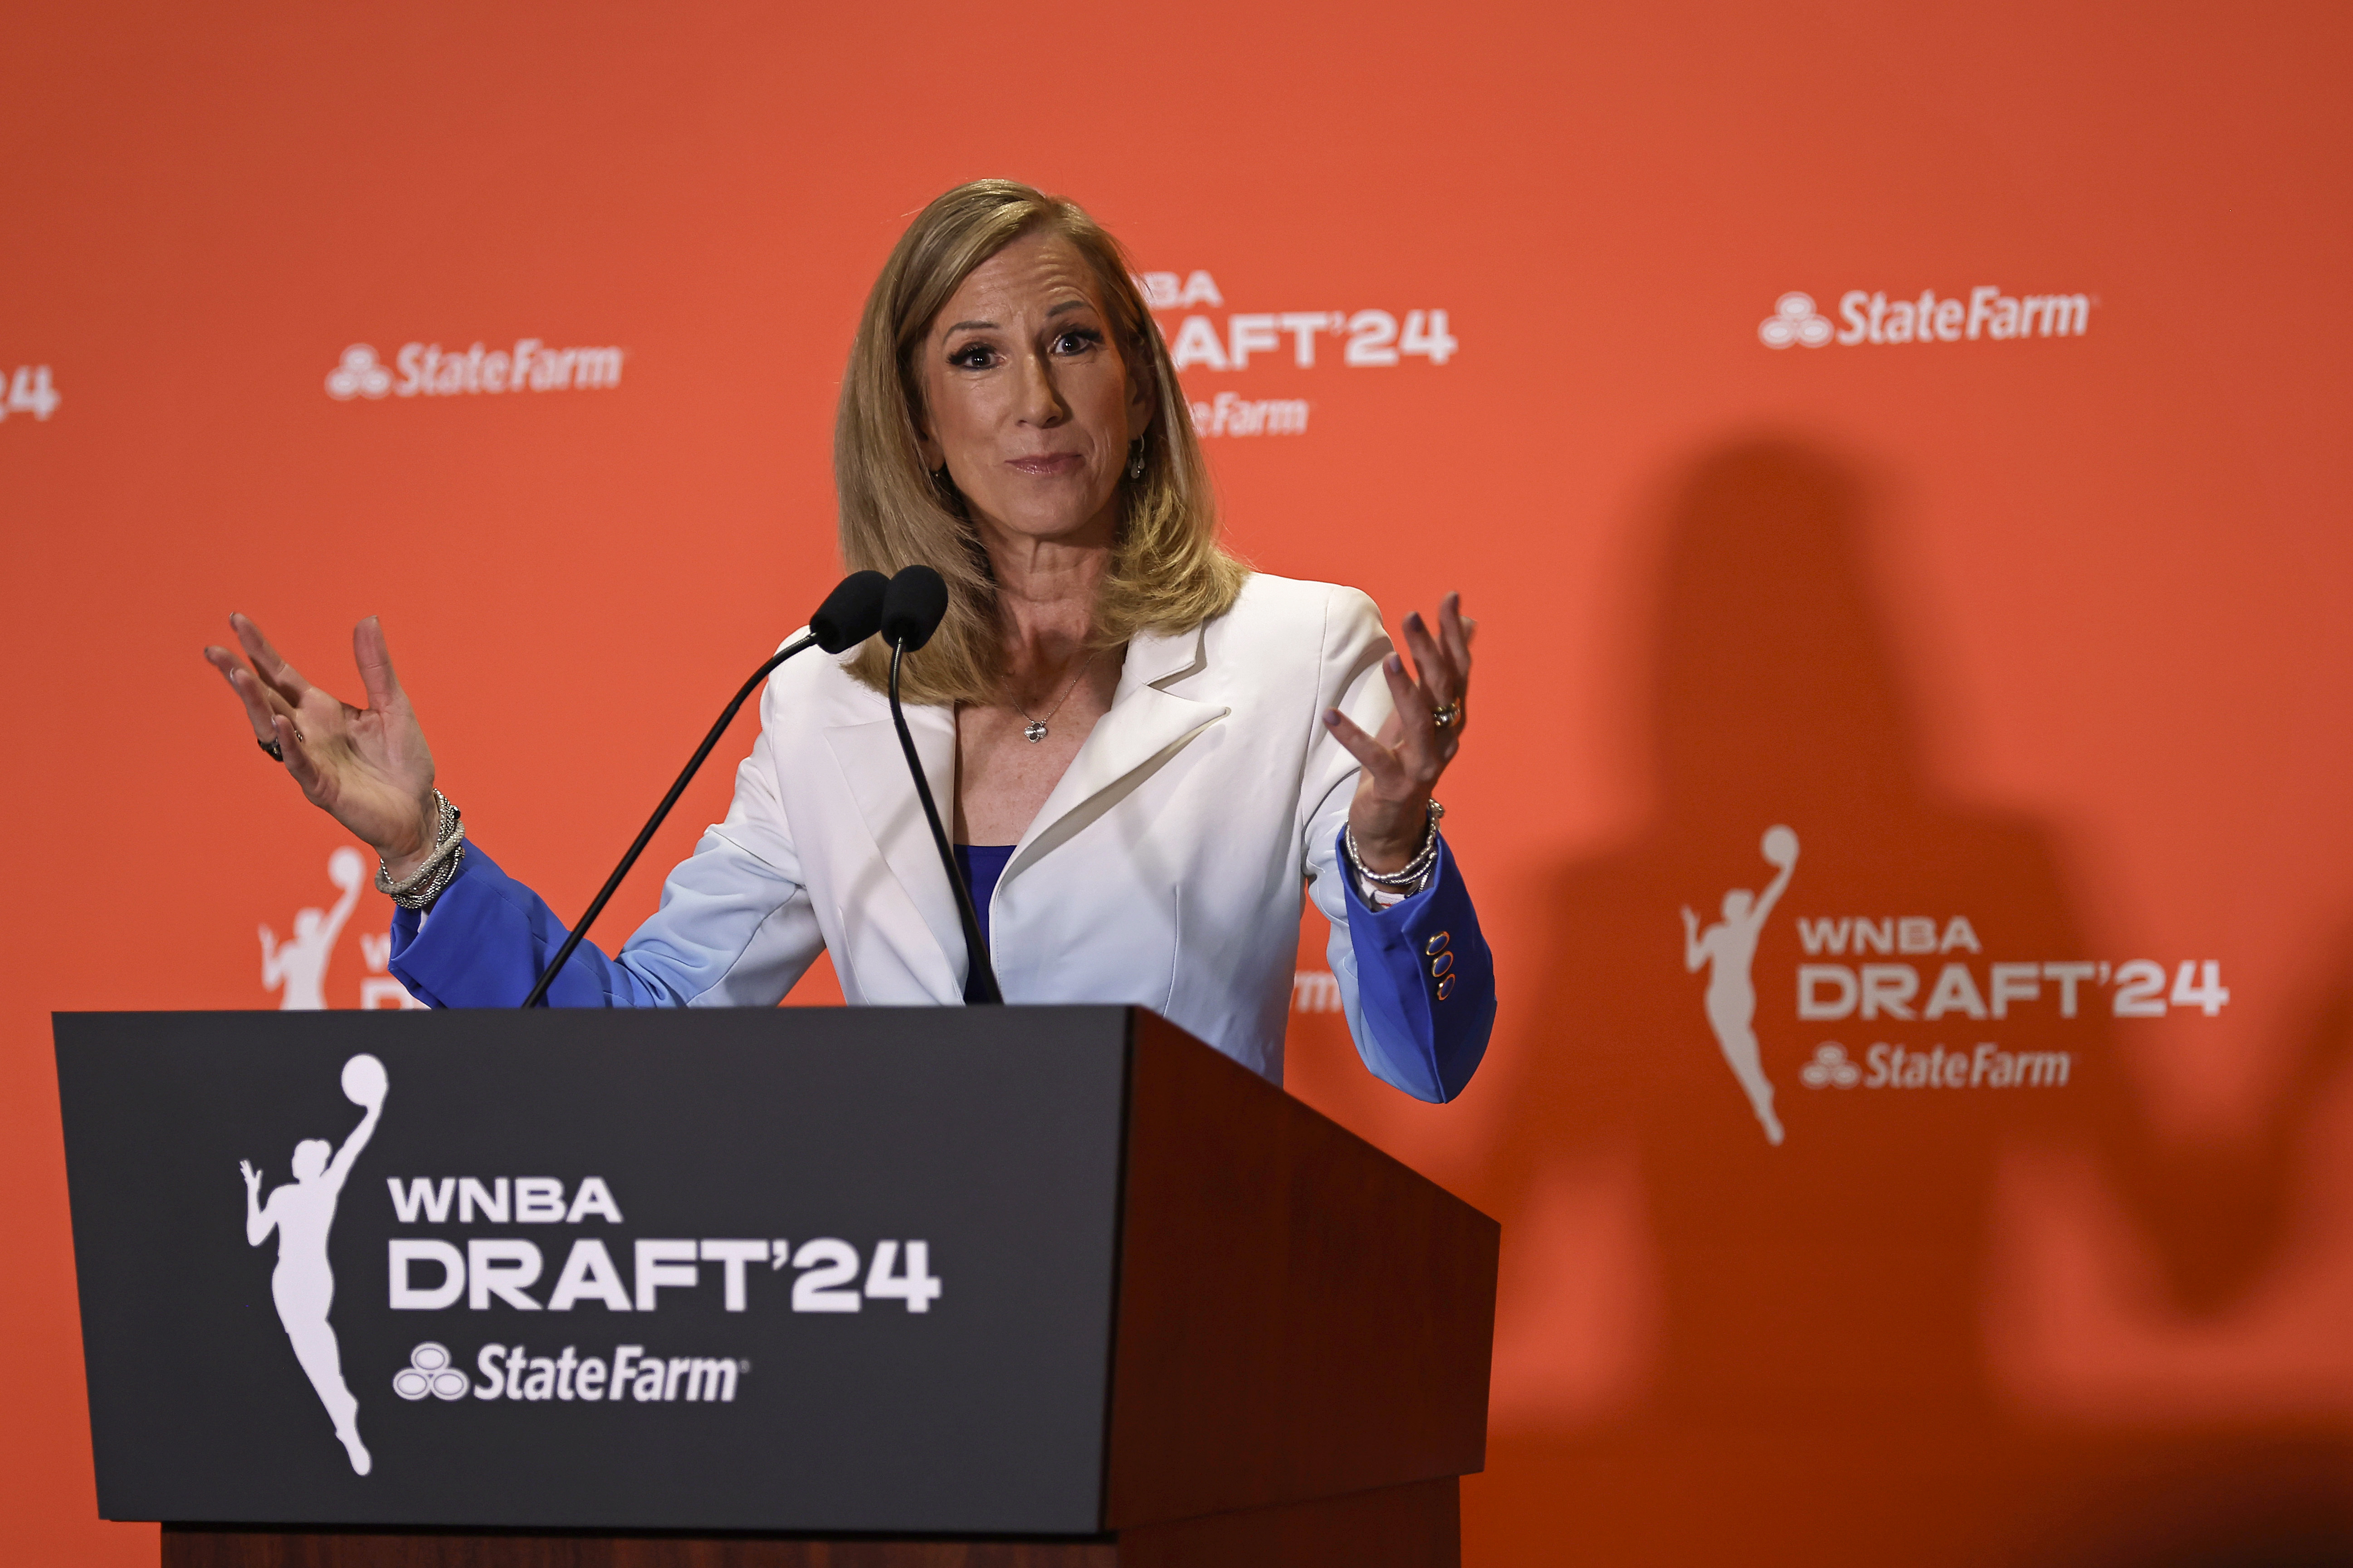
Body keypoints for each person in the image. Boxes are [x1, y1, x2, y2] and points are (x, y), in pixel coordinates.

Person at [203, 179, 1494, 1101]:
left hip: (1178, 1324)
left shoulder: (1295, 648)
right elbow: (642, 1035)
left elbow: (1428, 1062)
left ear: (1140, 386)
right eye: (979, 356)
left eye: (1072, 342)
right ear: (921, 421)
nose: (1036, 400)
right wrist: (424, 851)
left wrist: (1393, 857)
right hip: (904, 1336)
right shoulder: (829, 691)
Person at [241, 1054, 386, 1475]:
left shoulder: (325, 1189)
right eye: (297, 1160)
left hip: (316, 1279)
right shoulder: (283, 1196)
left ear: (316, 1165)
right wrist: (253, 1193)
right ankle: (343, 1412)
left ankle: (343, 1411)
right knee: (310, 1351)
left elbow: (351, 1150)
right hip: (285, 1281)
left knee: (315, 1348)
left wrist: (373, 1113)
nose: (298, 1164)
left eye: (306, 1160)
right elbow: (254, 1237)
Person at [1680, 825, 1798, 1144]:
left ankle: (1762, 1099)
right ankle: (1761, 1092)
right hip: (1716, 998)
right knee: (1735, 1047)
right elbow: (1693, 964)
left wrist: (1787, 870)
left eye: (1736, 905)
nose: (1731, 908)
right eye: (1729, 905)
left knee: (1738, 1045)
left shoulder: (1748, 930)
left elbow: (1770, 899)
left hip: (1738, 997)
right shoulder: (1716, 933)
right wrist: (1691, 931)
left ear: (1741, 910)